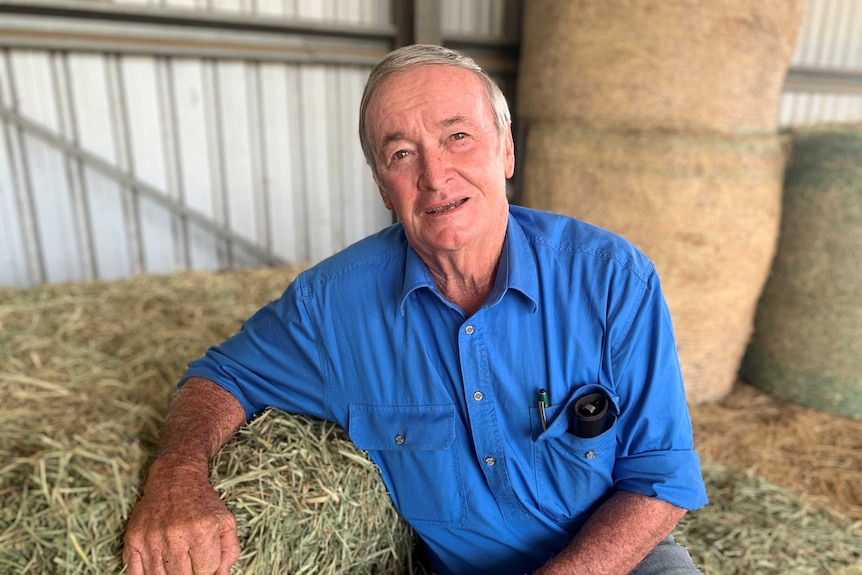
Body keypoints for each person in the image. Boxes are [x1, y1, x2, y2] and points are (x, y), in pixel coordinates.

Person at [123, 44, 708, 575]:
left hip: (616, 560)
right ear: (383, 187)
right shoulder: (332, 306)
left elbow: (661, 480)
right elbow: (221, 376)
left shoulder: (611, 277)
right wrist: (177, 475)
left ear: (506, 149)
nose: (434, 177)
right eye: (402, 154)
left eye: (458, 137)